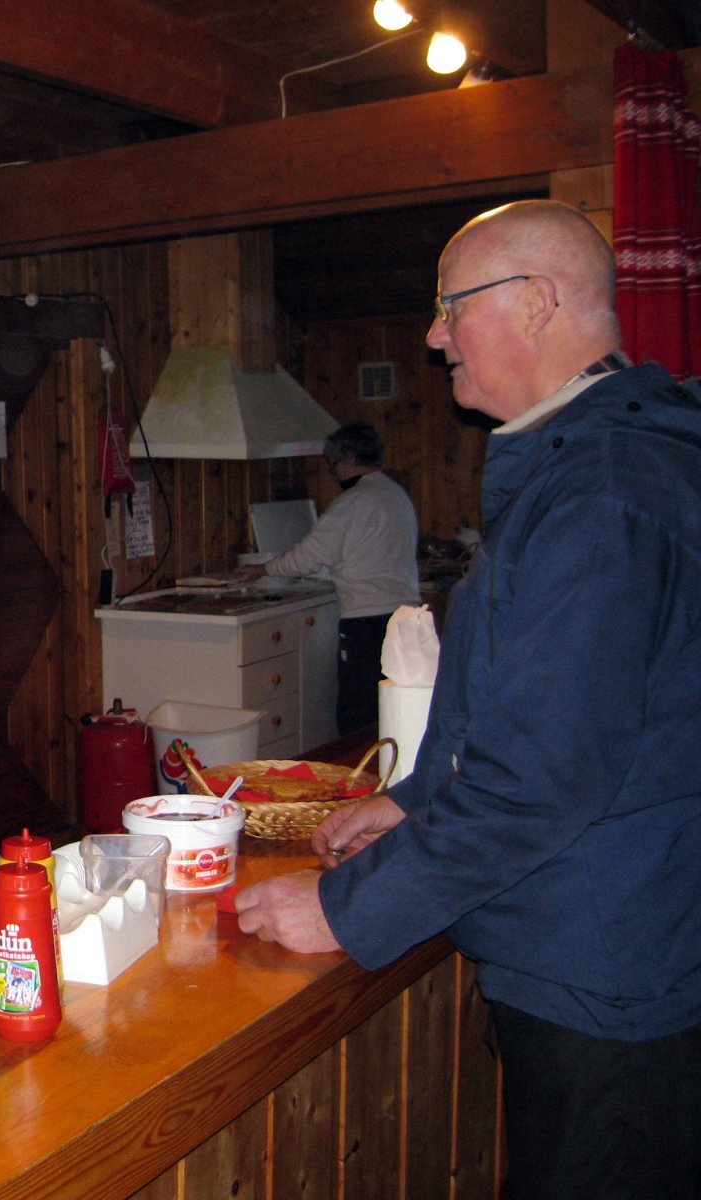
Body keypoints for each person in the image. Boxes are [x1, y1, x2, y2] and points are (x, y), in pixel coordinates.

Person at [235, 200, 701, 1200]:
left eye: (452, 304)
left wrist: (343, 909)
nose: (433, 334)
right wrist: (414, 803)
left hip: (604, 971)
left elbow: (542, 779)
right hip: (621, 941)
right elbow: (563, 709)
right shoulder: (602, 458)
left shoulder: (599, 490)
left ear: (536, 302)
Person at [234, 422, 419, 735]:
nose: (333, 474)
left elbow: (308, 556)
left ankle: (357, 766)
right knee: (391, 709)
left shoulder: (353, 501)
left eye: (333, 465)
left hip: (368, 621)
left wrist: (264, 569)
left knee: (358, 711)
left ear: (348, 459)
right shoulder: (393, 493)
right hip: (403, 615)